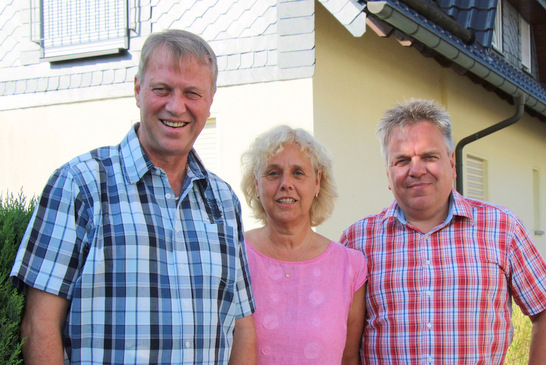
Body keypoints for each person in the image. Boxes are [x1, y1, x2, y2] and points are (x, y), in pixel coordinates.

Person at [10, 29, 256, 364]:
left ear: (210, 99)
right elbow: (40, 324)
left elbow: (240, 326)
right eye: (162, 89)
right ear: (138, 89)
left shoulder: (224, 202)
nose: (176, 106)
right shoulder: (79, 185)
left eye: (192, 93)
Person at [340, 98, 546, 364]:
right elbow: (342, 338)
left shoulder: (501, 228)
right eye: (402, 161)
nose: (416, 170)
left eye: (429, 157)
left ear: (452, 164)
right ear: (388, 174)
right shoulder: (357, 241)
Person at [240, 125, 367, 364]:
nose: (286, 183)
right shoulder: (233, 255)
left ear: (317, 183)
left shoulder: (350, 266)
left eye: (298, 173)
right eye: (273, 173)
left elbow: (349, 359)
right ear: (256, 185)